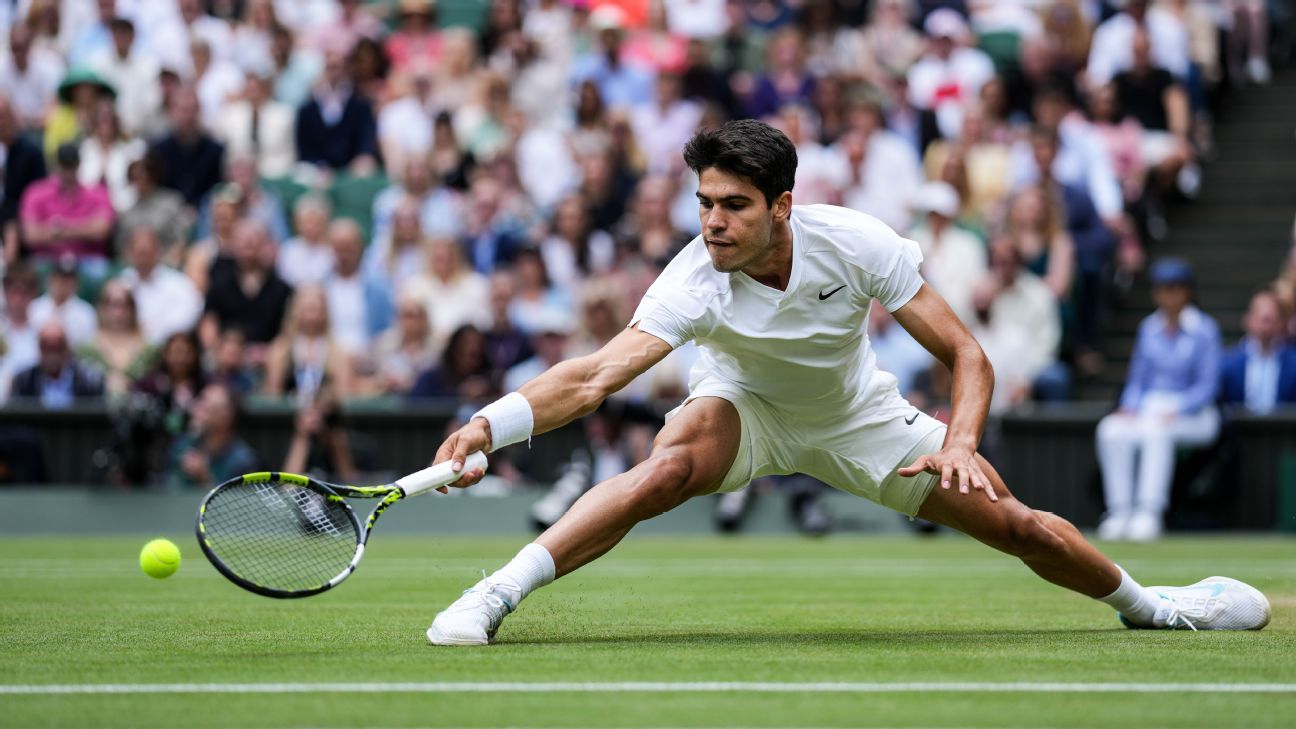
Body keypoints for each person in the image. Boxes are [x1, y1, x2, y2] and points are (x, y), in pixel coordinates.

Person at [424, 120, 1269, 646]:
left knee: (1020, 528)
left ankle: (1152, 605)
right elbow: (596, 375)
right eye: (705, 202)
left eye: (734, 205)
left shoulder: (858, 241)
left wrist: (962, 442)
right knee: (668, 467)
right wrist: (488, 427)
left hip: (857, 416)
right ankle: (496, 593)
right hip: (745, 407)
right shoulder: (692, 277)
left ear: (782, 207)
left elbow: (968, 355)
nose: (712, 221)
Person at [1096, 258, 1221, 542]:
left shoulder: (1205, 329)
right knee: (1110, 429)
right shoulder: (1148, 328)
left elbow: (1207, 386)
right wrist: (1129, 405)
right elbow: (1138, 379)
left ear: (1187, 292)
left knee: (1156, 431)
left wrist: (1178, 408)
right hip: (1150, 409)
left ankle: (1149, 512)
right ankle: (1120, 511)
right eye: (1162, 289)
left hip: (1196, 415)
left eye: (1174, 289)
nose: (1168, 296)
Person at [166, 381, 260, 488]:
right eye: (199, 403)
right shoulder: (181, 447)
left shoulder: (243, 462)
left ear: (226, 418)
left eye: (205, 409)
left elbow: (238, 503)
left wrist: (205, 479)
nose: (195, 411)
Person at [1219, 290, 1296, 414]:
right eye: (1262, 319)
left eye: (1271, 319)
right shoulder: (1228, 363)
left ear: (1281, 323)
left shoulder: (1293, 364)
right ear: (1247, 320)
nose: (1265, 326)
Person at [12, 320, 104, 407]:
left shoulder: (90, 382)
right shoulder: (25, 381)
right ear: (39, 349)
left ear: (68, 349)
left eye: (58, 347)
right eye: (47, 347)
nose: (52, 355)